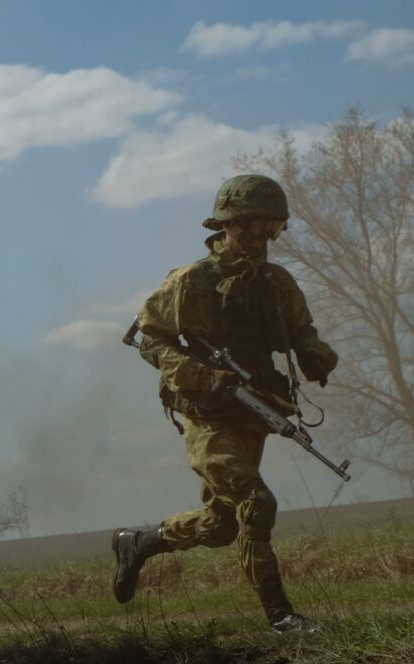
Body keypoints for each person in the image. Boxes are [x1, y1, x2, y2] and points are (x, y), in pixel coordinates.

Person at [112, 174, 338, 634]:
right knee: (256, 502)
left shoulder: (276, 282)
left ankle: (137, 543)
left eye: (273, 231)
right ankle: (282, 616)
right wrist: (199, 375)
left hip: (252, 410)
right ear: (230, 226)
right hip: (207, 415)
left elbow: (300, 330)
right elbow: (145, 337)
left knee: (221, 526)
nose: (264, 241)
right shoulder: (191, 281)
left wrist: (313, 352)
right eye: (256, 230)